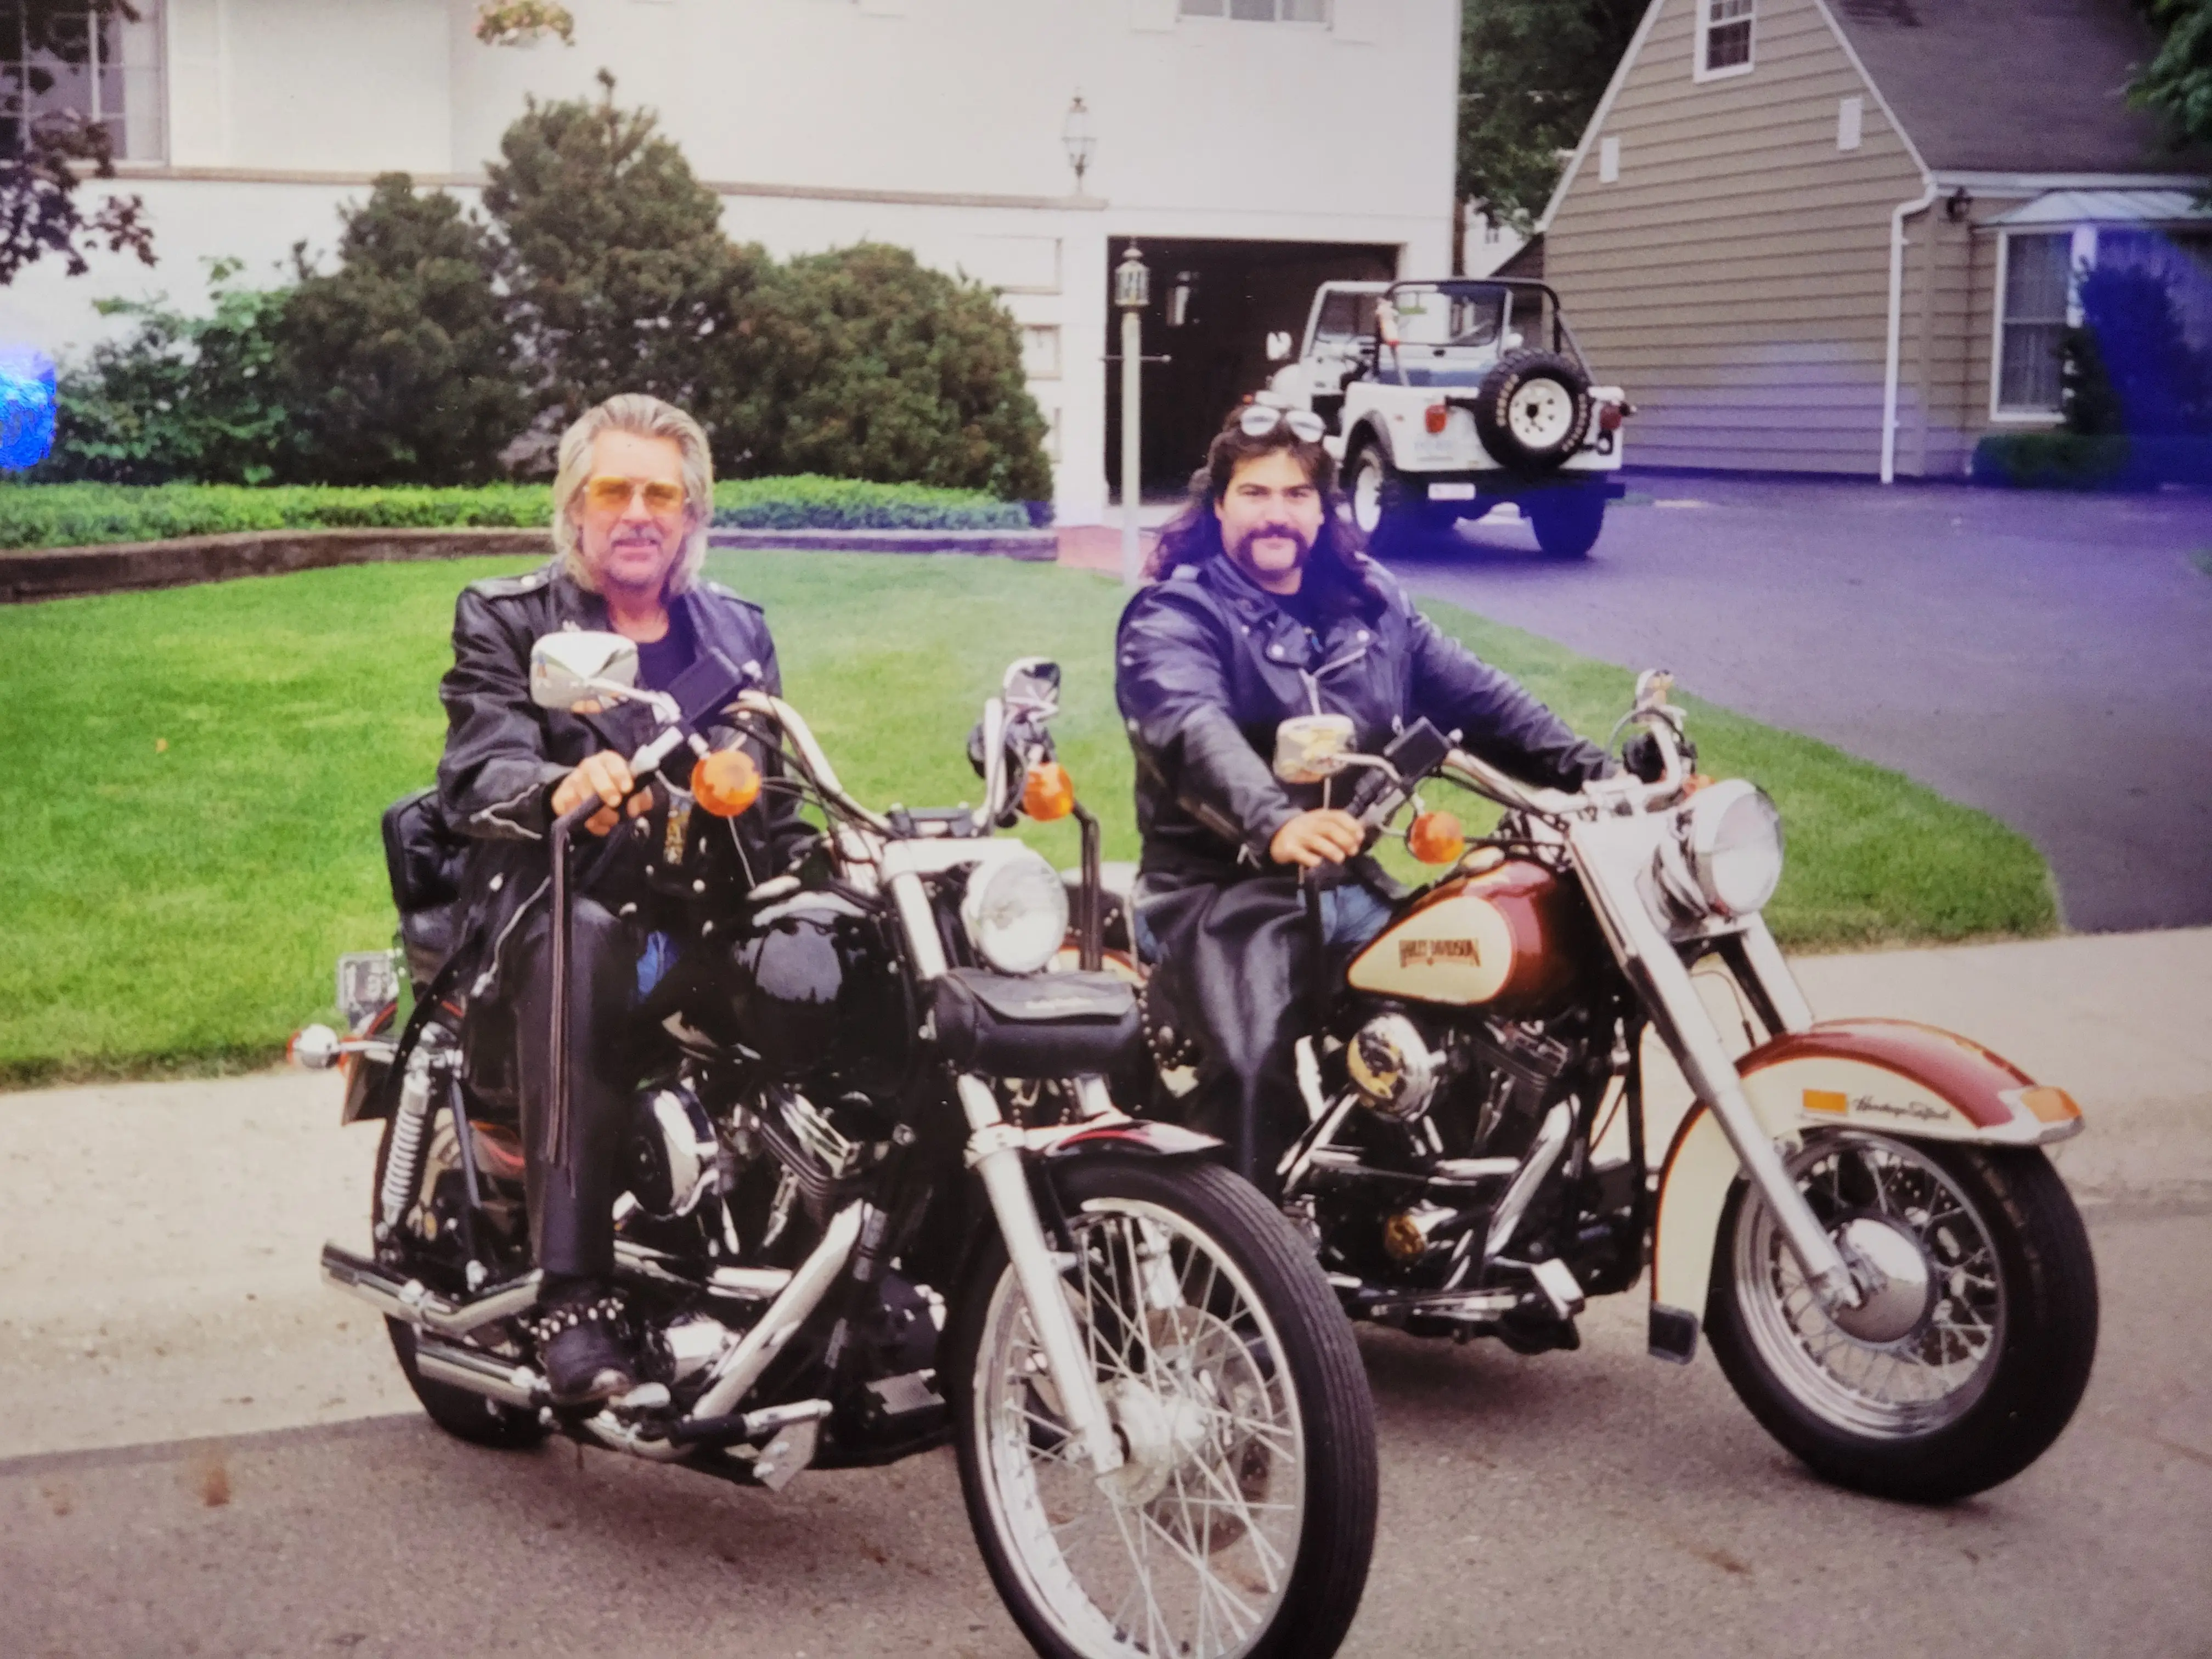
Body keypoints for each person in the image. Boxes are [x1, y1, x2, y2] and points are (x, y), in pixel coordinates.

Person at [1114, 404, 1613, 1193]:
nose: (1277, 513)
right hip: (1218, 892)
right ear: (1219, 505)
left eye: (1297, 495)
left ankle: (1461, 1225)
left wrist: (1603, 776)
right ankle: (1240, 1274)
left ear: (1323, 508)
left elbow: (1480, 699)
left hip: (1345, 885)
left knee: (1477, 1013)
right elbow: (1187, 727)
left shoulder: (1372, 603)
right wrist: (1274, 821)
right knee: (1246, 1072)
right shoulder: (1176, 612)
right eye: (1255, 493)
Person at [435, 393, 805, 1405]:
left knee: (840, 950)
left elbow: (767, 791)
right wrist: (559, 789)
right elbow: (479, 766)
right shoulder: (509, 616)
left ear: (691, 513)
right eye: (615, 490)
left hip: (694, 911)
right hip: (552, 898)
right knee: (584, 943)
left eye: (662, 493)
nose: (638, 512)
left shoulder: (735, 630)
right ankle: (571, 1289)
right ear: (576, 507)